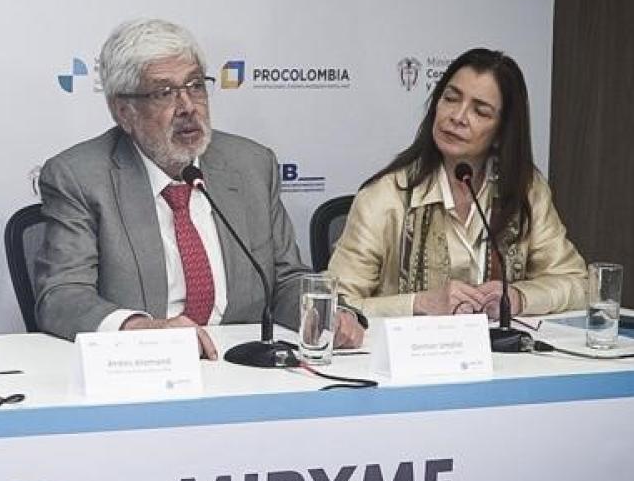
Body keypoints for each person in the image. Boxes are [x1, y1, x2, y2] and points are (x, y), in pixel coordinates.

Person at [34, 18, 363, 359]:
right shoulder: (80, 176)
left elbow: (285, 279)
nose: (188, 106)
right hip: (143, 366)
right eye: (164, 93)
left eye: (195, 86)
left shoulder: (250, 164)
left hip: (243, 363)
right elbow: (62, 295)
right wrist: (143, 330)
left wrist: (325, 317)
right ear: (124, 111)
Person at [328, 48, 586, 318]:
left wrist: (520, 298)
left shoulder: (526, 191)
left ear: (502, 132)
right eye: (451, 99)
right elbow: (335, 304)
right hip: (411, 356)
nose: (458, 117)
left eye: (480, 111)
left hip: (501, 358)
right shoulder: (385, 197)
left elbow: (578, 284)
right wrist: (418, 304)